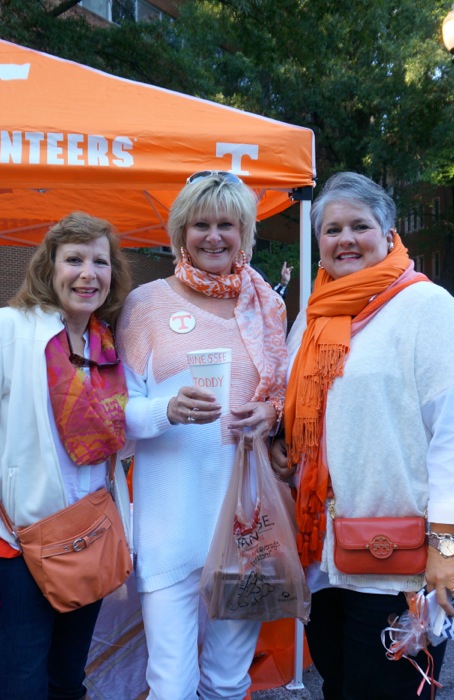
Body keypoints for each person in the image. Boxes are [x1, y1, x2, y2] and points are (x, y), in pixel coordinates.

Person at [271, 172, 454, 699]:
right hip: (324, 556)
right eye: (332, 229)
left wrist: (447, 547)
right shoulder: (314, 317)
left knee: (390, 691)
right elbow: (303, 409)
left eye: (360, 225)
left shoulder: (427, 309)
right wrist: (282, 442)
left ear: (389, 230)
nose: (345, 239)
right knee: (339, 682)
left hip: (399, 562)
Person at [117, 170, 289, 700]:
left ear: (245, 233)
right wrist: (166, 409)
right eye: (200, 225)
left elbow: (284, 397)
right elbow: (116, 412)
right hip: (170, 523)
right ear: (180, 234)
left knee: (228, 679)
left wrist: (271, 413)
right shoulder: (145, 305)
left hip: (246, 524)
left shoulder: (269, 306)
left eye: (227, 225)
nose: (214, 237)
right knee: (171, 685)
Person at [0, 212, 132, 700]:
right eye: (74, 259)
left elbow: (119, 438)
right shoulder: (2, 330)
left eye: (100, 261)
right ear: (49, 267)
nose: (88, 273)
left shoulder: (106, 342)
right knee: (22, 686)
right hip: (17, 545)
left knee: (67, 681)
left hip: (86, 538)